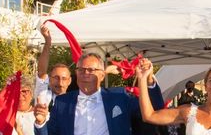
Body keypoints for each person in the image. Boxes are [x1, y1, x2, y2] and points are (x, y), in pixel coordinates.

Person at [33, 53, 164, 135]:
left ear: (102, 75)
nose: (85, 73)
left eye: (91, 70)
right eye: (81, 70)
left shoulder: (120, 97)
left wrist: (149, 80)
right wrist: (41, 122)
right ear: (76, 73)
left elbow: (156, 110)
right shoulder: (62, 102)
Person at [34, 26, 72, 106]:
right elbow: (42, 72)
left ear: (69, 81)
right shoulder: (43, 95)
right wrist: (48, 42)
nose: (60, 83)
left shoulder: (74, 103)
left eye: (64, 78)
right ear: (49, 78)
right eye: (56, 78)